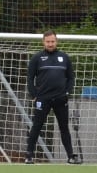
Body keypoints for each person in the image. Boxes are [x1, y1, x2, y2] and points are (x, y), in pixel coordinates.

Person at [25, 30, 79, 164]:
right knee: (36, 126)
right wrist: (34, 95)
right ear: (43, 42)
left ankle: (70, 157)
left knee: (64, 127)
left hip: (60, 99)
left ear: (57, 41)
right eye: (48, 41)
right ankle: (29, 156)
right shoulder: (37, 58)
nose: (50, 44)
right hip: (43, 99)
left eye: (52, 41)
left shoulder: (64, 57)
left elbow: (71, 78)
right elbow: (30, 78)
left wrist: (67, 93)